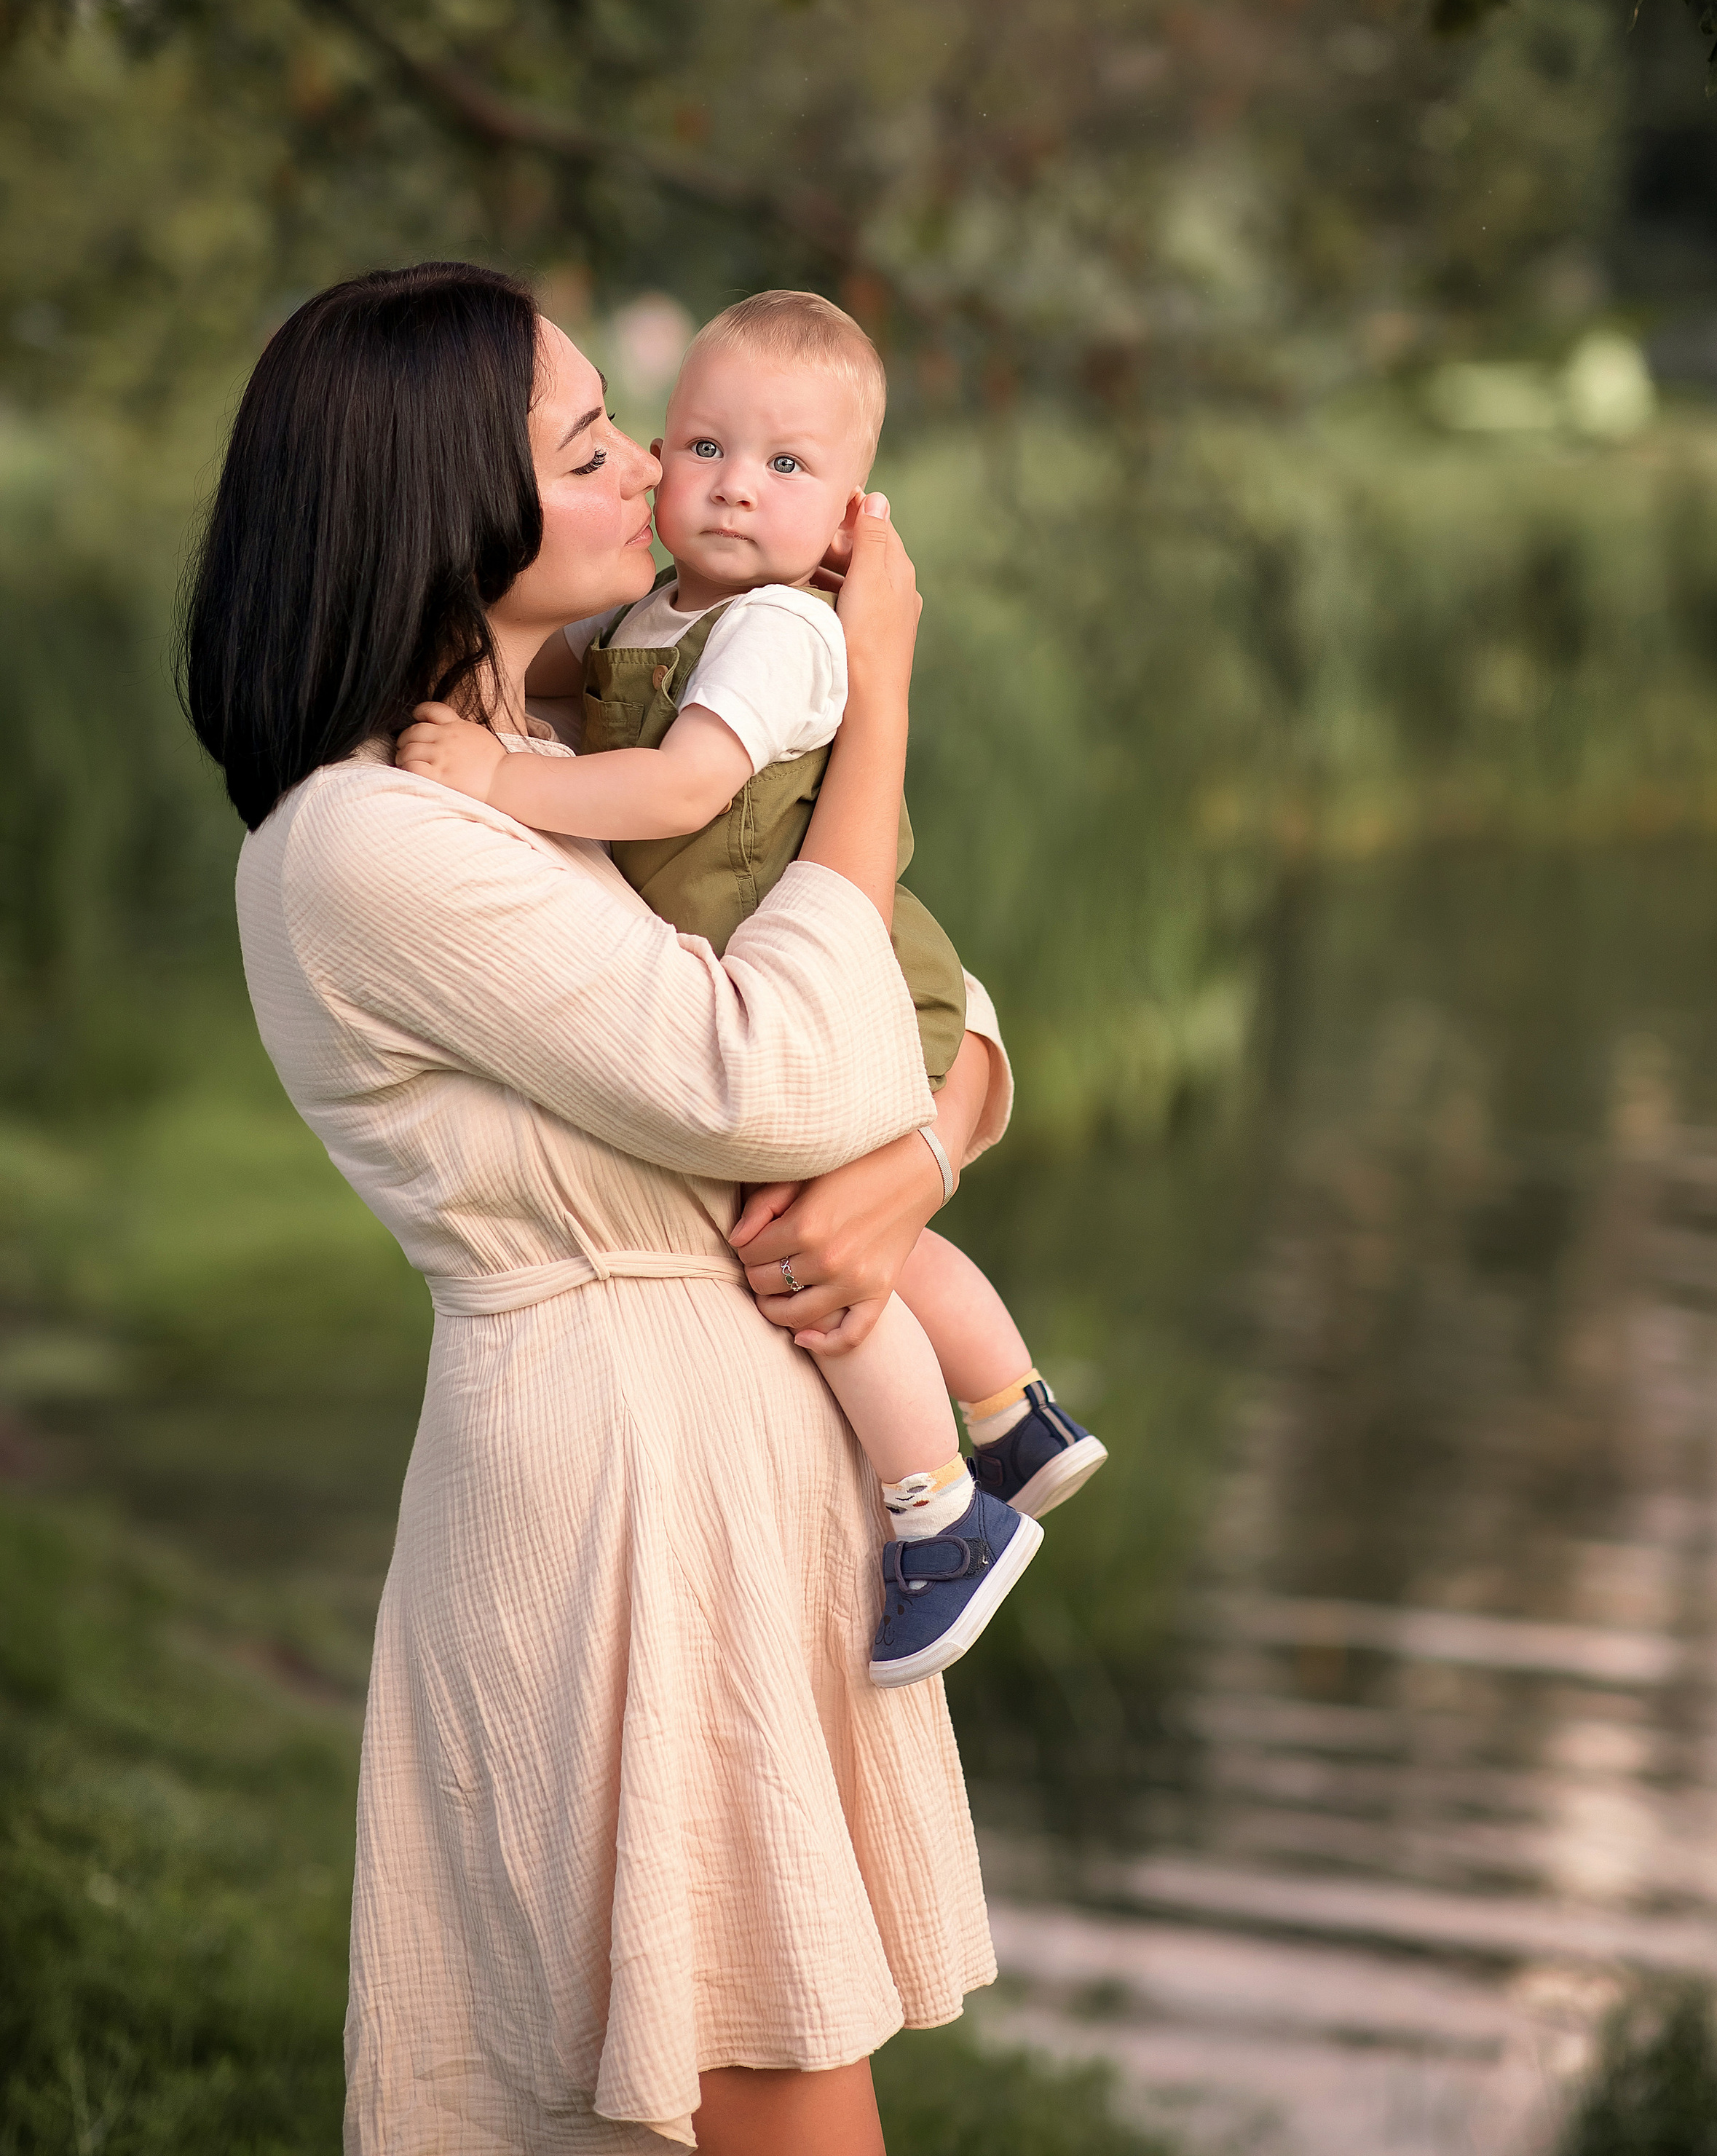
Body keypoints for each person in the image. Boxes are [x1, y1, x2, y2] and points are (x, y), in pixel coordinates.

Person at [183, 261, 1016, 2156]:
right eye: (591, 445)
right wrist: (872, 691)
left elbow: (930, 1026)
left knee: (757, 2069)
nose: (656, 468)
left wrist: (920, 1169)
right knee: (750, 2084)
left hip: (719, 1471)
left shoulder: (563, 767)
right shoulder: (375, 838)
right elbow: (791, 1071)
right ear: (445, 515)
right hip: (622, 1508)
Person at [395, 291, 1107, 1688]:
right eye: (702, 444)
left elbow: (680, 783)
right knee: (861, 1233)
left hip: (838, 974)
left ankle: (937, 1509)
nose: (728, 486)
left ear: (852, 516)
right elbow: (565, 675)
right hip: (787, 961)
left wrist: (499, 779)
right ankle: (1014, 1414)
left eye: (787, 467)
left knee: (800, 1244)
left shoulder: (780, 632)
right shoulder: (663, 614)